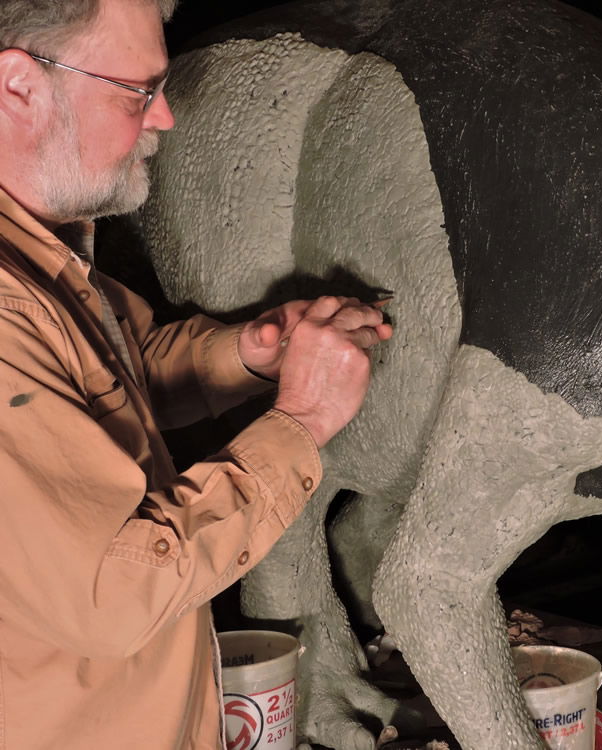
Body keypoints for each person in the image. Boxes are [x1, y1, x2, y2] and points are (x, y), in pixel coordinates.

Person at [0, 0, 392, 747]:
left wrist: (253, 350)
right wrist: (301, 422)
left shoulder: (38, 256)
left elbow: (120, 375)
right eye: (137, 90)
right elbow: (114, 592)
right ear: (18, 87)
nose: (165, 118)